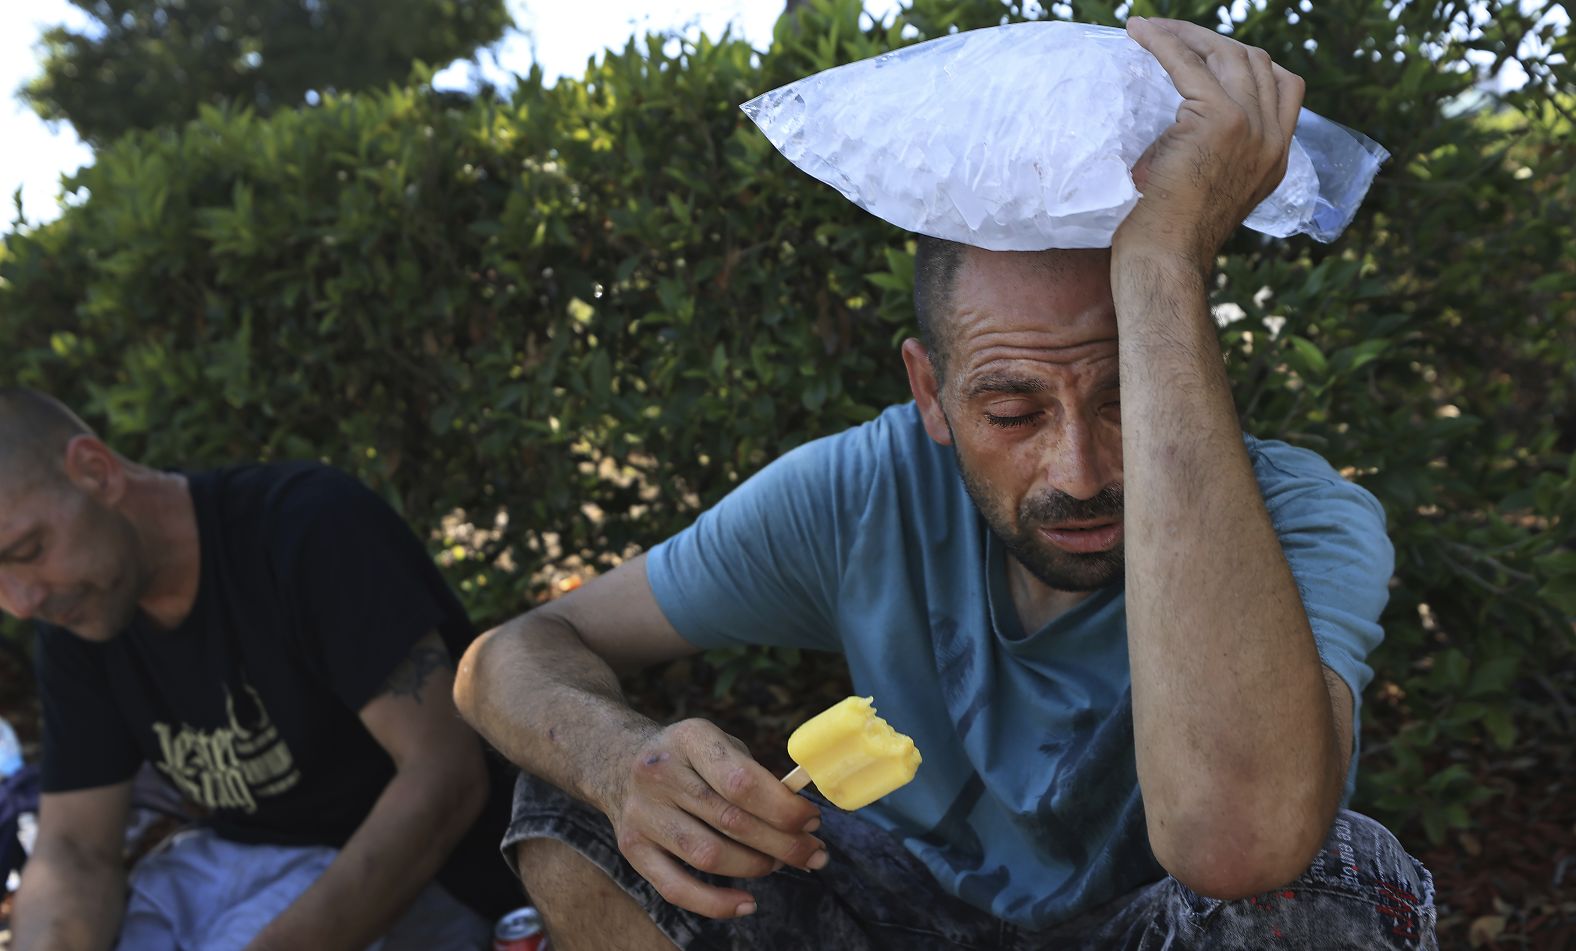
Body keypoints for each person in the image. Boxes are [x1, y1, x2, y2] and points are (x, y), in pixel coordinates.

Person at [454, 16, 1437, 951]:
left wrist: (1163, 262)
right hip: (909, 920)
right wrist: (617, 762)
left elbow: (1244, 842)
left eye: (1124, 397)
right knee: (577, 799)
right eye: (1011, 412)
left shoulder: (1304, 516)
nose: (1078, 472)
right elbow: (515, 651)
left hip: (1164, 924)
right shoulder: (863, 489)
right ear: (930, 393)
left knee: (1332, 879)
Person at [0, 389, 519, 950]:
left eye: (27, 550)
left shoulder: (306, 531)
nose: (21, 603)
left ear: (96, 473)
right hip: (225, 867)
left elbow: (445, 774)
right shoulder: (80, 612)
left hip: (409, 875)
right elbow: (75, 848)